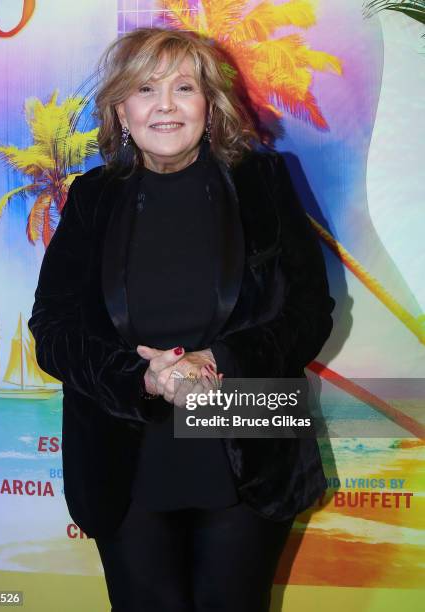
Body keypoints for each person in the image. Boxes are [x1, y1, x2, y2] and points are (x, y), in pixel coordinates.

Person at [28, 26, 335, 612]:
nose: (165, 105)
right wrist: (142, 379)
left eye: (184, 87)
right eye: (145, 88)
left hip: (249, 427)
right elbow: (54, 327)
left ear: (209, 105)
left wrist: (214, 362)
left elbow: (308, 313)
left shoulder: (264, 182)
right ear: (121, 110)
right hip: (125, 441)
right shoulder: (92, 195)